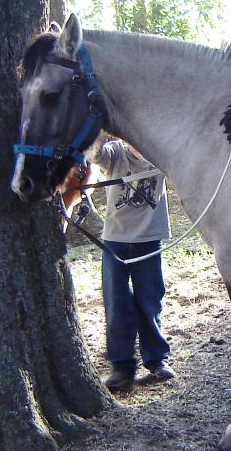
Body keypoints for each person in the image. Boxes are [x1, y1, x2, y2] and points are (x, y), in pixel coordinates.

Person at [62, 138, 174, 391]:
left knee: (150, 301)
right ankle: (122, 367)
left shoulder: (159, 152)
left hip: (149, 241)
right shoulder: (115, 153)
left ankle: (157, 360)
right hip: (115, 243)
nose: (137, 143)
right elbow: (94, 152)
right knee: (116, 304)